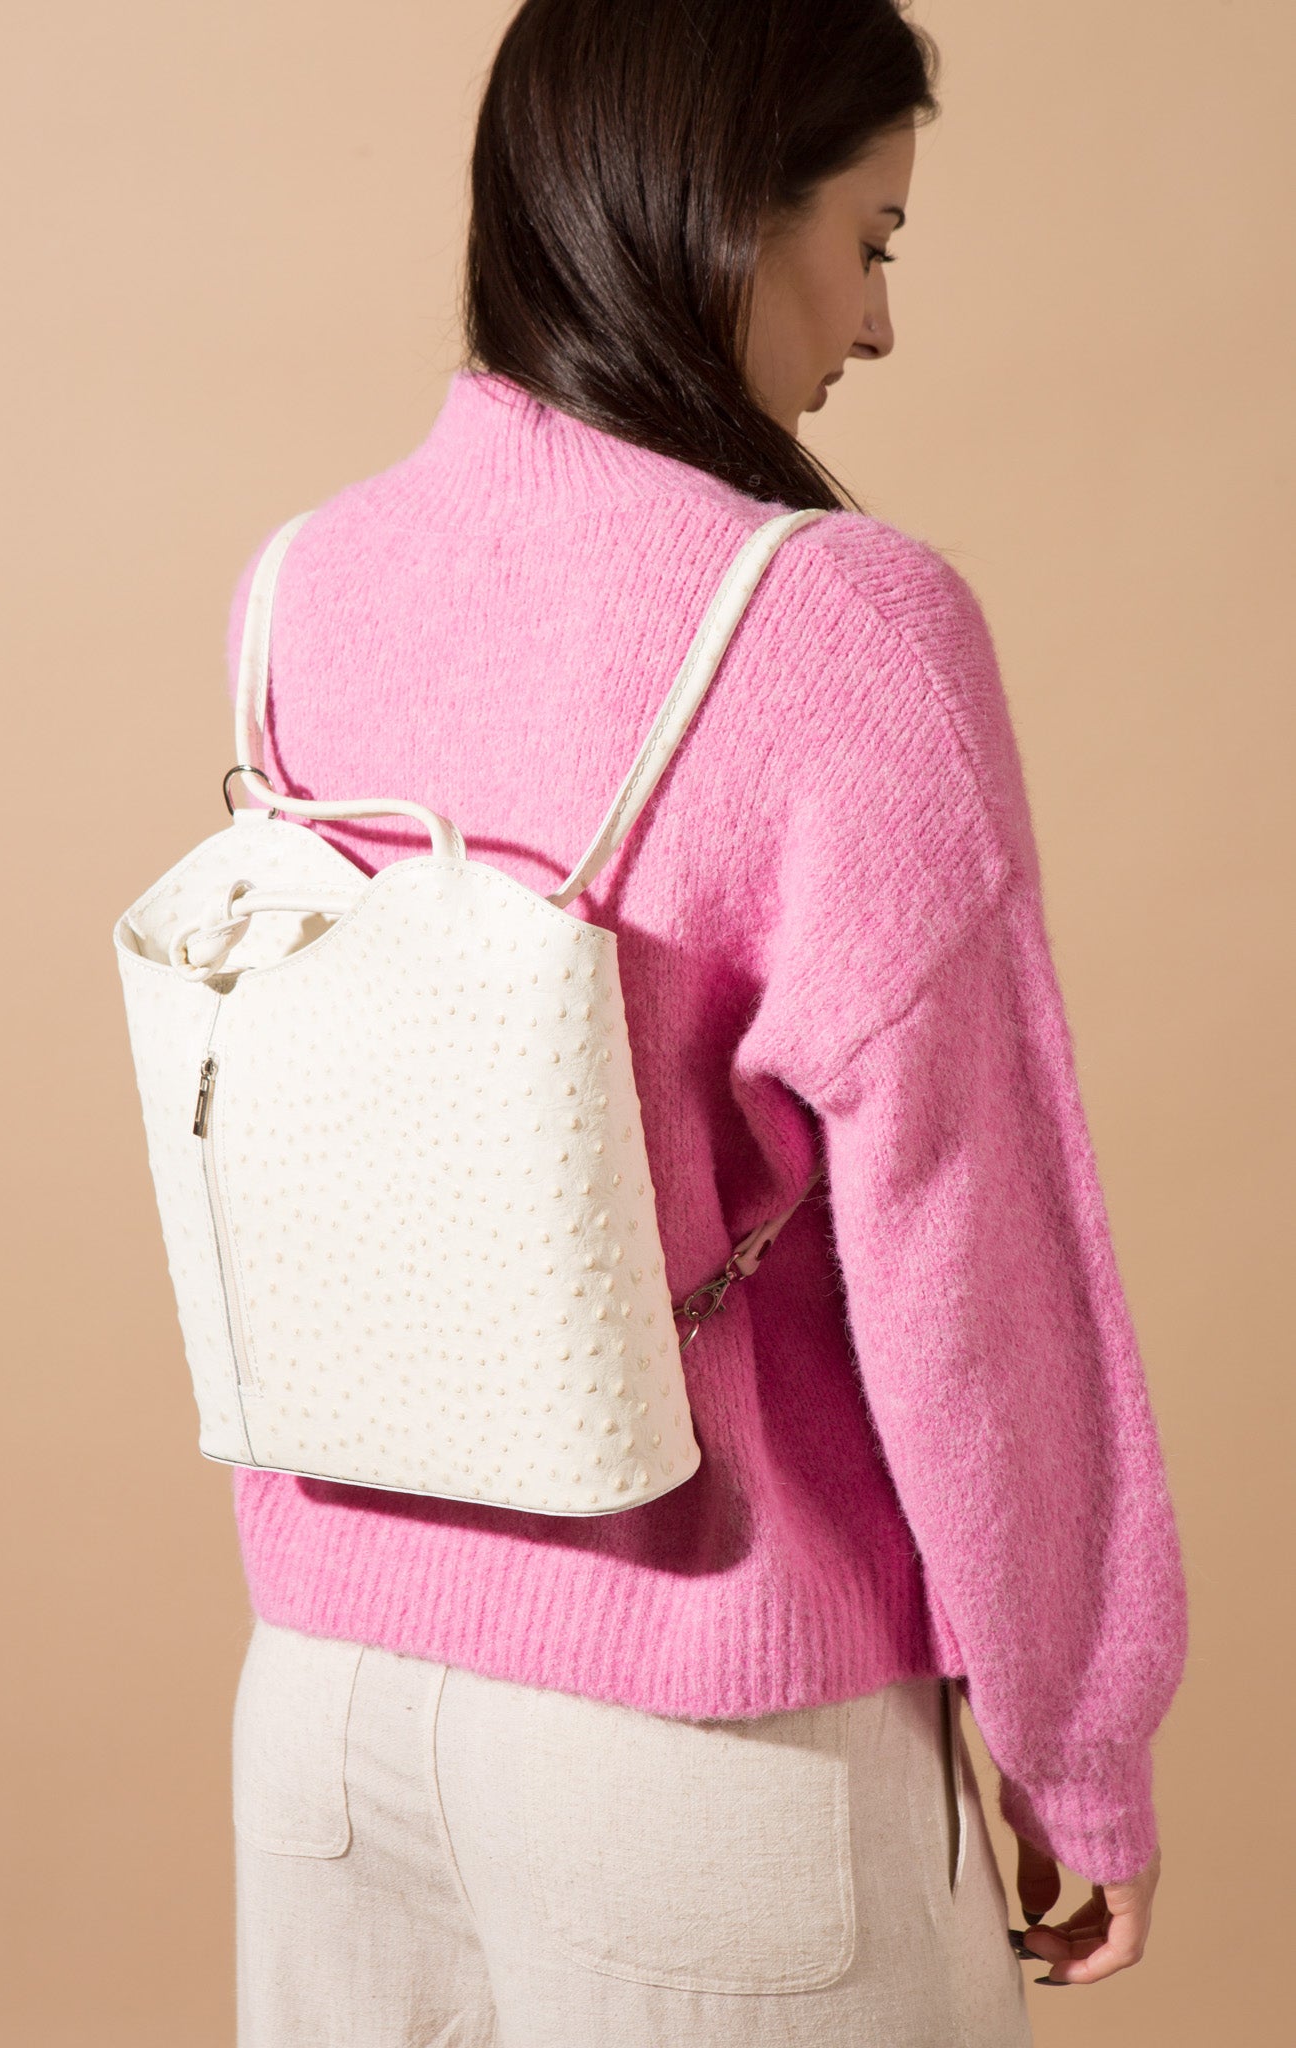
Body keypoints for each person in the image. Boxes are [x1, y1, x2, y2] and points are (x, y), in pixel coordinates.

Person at [226, 4, 1187, 2042]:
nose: (877, 320)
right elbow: (970, 1250)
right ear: (722, 215)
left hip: (320, 1709)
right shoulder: (835, 620)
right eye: (871, 237)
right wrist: (1072, 1730)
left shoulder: (299, 587)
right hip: (705, 1740)